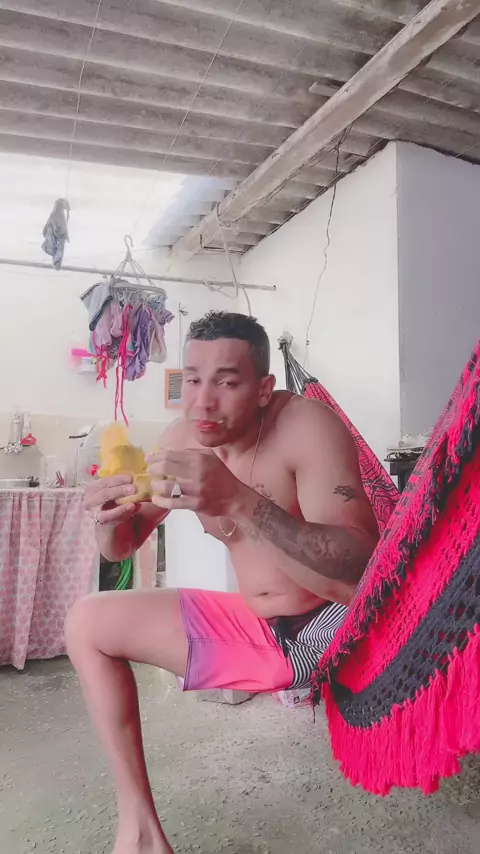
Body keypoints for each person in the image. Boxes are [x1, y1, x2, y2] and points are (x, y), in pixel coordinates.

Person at [65, 311, 379, 854]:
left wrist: (237, 499)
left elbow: (358, 577)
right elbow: (123, 546)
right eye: (192, 379)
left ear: (263, 389)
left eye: (227, 382)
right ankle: (140, 834)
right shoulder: (181, 440)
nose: (202, 402)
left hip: (332, 627)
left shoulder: (307, 427)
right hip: (259, 628)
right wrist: (107, 518)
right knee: (87, 620)